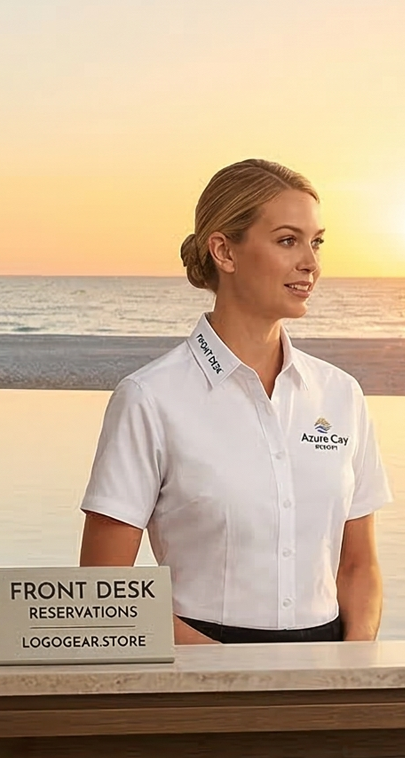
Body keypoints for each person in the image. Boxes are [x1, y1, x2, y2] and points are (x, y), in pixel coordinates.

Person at [80, 158, 389, 644]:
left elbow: (358, 566)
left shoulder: (341, 394)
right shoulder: (149, 399)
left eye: (316, 242)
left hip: (327, 676)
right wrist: (232, 675)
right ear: (224, 251)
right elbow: (104, 587)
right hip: (200, 675)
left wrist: (351, 665)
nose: (310, 262)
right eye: (288, 240)